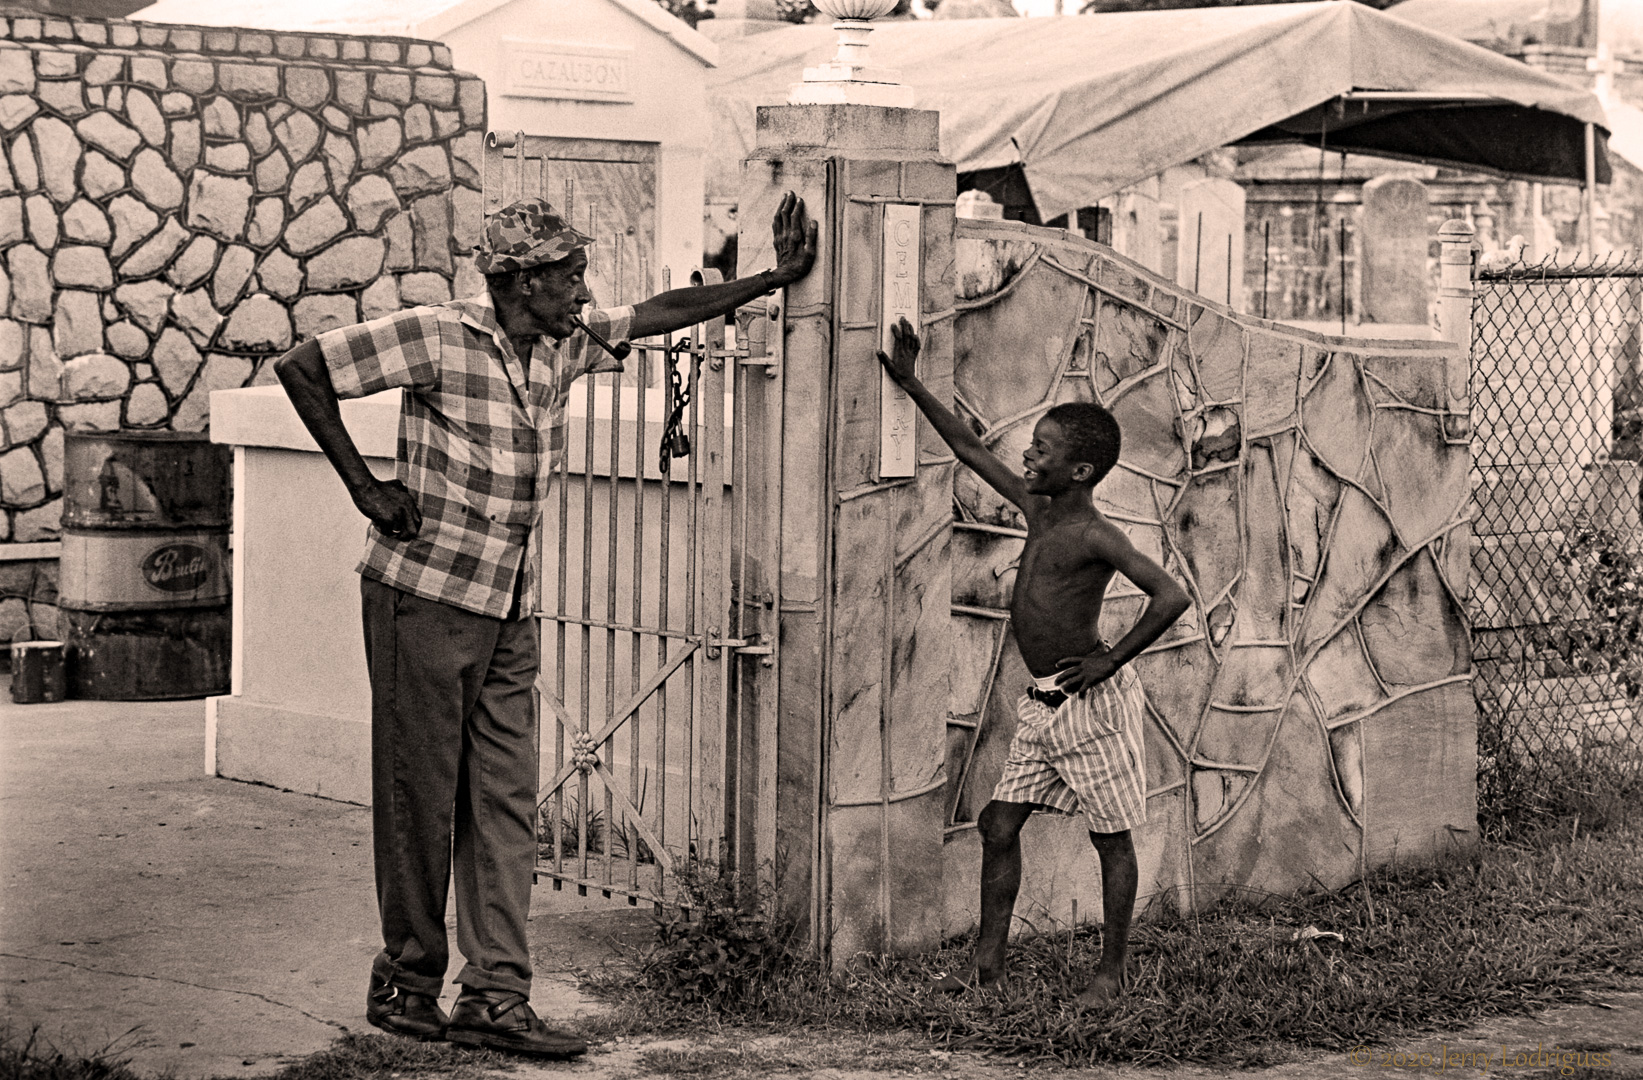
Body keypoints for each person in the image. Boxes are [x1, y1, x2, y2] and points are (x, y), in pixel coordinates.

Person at [274, 193, 817, 1056]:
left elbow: (659, 313)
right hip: (423, 597)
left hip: (509, 607)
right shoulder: (438, 335)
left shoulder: (564, 340)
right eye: (568, 275)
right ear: (521, 281)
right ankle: (408, 983)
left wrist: (773, 279)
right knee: (419, 800)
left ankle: (495, 999)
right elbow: (302, 368)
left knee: (504, 804)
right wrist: (366, 489)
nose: (582, 289)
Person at [877, 319, 1190, 1007]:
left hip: (1091, 707)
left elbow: (1170, 596)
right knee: (997, 824)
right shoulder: (1036, 509)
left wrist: (1109, 662)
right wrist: (909, 381)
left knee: (1110, 837)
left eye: (1041, 449)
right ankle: (987, 970)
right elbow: (965, 445)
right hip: (1044, 703)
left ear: (1077, 470)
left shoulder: (1090, 533)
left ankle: (1109, 975)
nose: (1026, 453)